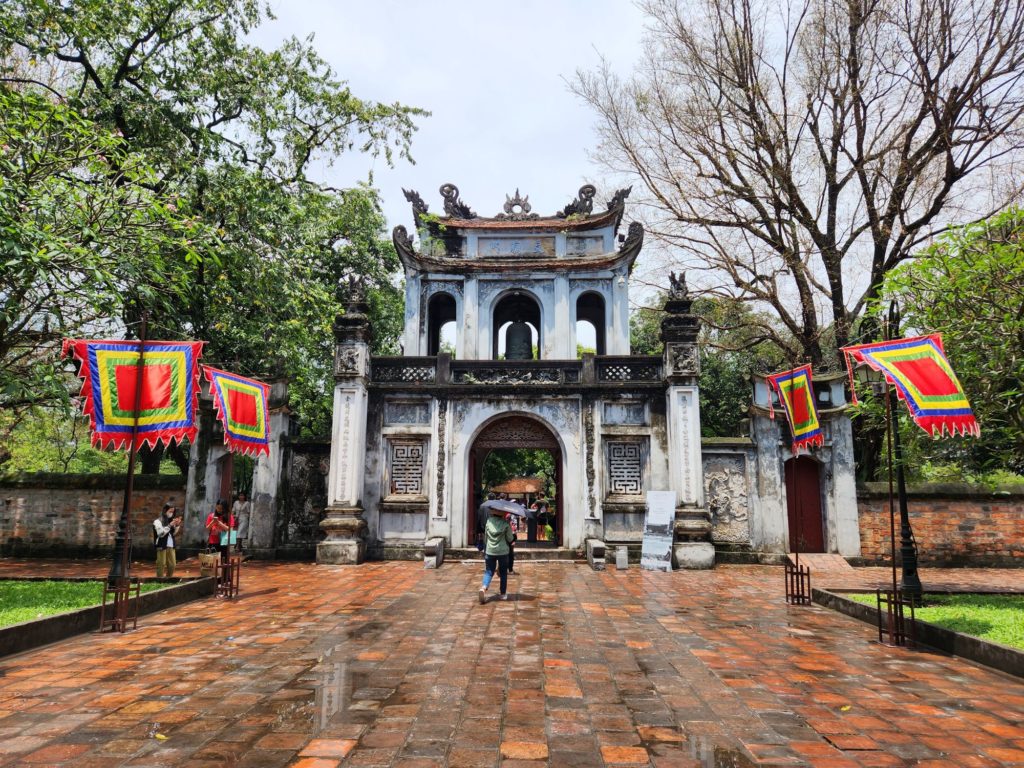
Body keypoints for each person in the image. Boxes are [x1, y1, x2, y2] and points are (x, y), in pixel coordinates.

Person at [478, 503, 514, 604]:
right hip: (503, 551)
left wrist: (488, 546)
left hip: (490, 551)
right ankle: (502, 594)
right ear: (502, 514)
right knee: (503, 573)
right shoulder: (505, 524)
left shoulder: (488, 522)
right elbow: (510, 538)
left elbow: (486, 538)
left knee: (489, 571)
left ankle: (484, 587)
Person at [152, 503, 181, 578]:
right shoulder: (157, 521)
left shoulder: (171, 521)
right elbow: (161, 534)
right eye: (170, 511)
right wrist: (169, 525)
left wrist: (177, 525)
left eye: (173, 512)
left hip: (171, 545)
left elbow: (173, 533)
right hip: (161, 545)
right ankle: (159, 580)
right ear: (165, 511)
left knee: (172, 564)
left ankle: (168, 579)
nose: (171, 513)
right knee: (161, 564)